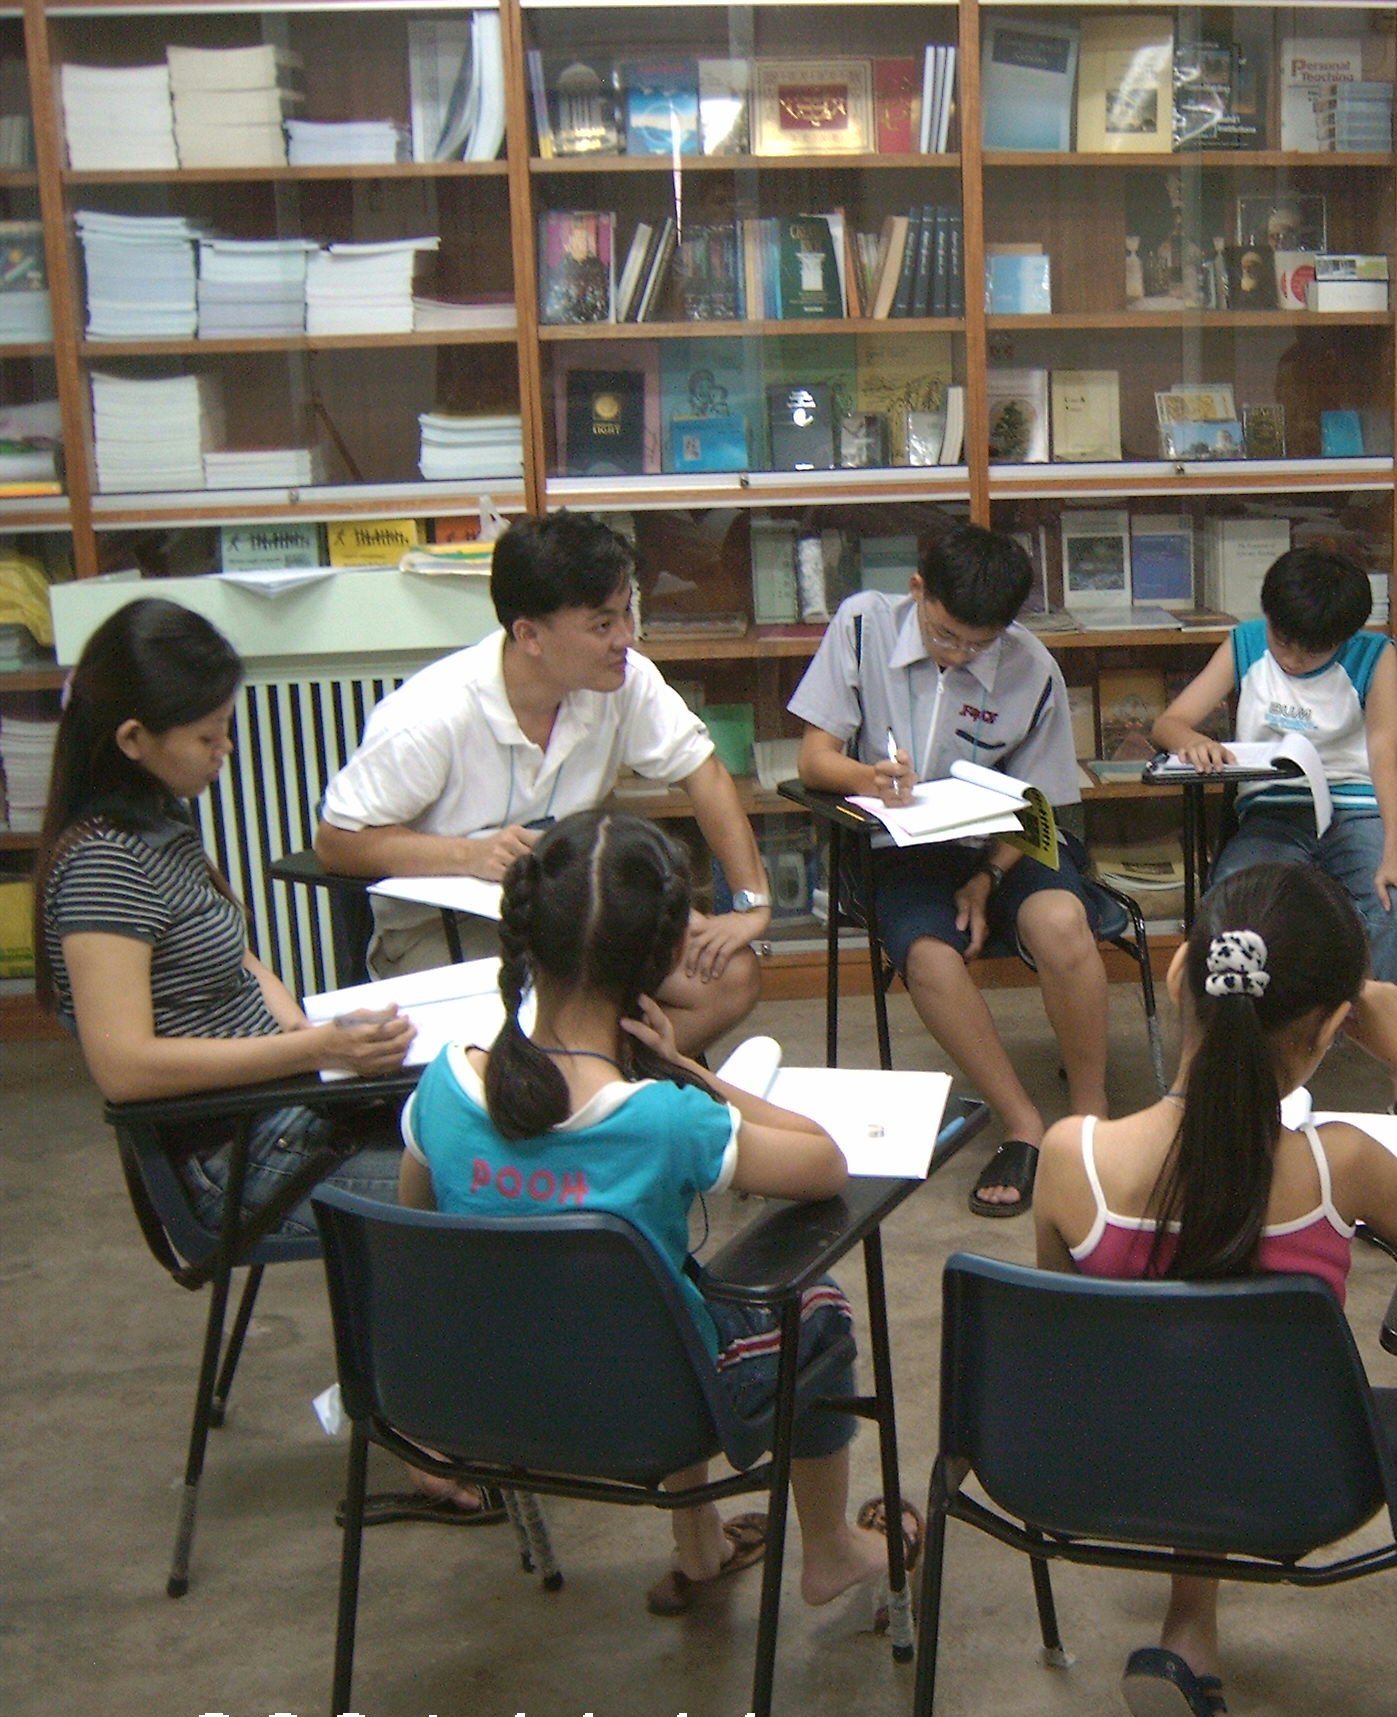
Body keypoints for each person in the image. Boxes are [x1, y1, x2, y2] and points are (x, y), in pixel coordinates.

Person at [38, 598, 496, 1524]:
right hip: (228, 1161)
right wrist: (314, 1050)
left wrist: (321, 1039)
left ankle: (454, 1388)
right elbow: (122, 1065)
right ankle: (417, 1422)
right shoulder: (102, 870)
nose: (225, 753)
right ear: (133, 736)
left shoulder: (158, 826)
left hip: (285, 1103)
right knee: (467, 1172)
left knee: (488, 1094)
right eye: (208, 737)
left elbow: (240, 959)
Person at [397, 811, 903, 1616]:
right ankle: (832, 1550)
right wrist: (683, 1068)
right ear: (665, 961)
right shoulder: (665, 1117)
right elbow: (824, 1161)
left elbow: (418, 1249)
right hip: (649, 1407)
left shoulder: (444, 1090)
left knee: (654, 1293)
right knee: (815, 1305)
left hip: (481, 1401)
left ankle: (701, 1545)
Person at [1033, 862, 1397, 1717]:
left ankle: (1188, 1630)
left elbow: (1068, 1344)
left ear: (1180, 978)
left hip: (1103, 1466)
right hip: (1301, 1478)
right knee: (1224, 1392)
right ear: (1330, 1031)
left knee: (1183, 1377)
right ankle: (1187, 1629)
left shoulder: (1071, 1158)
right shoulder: (1341, 1167)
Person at [315, 512, 770, 1056]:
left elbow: (706, 773)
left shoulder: (622, 680)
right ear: (529, 634)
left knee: (731, 975)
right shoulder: (430, 715)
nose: (626, 638)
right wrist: (468, 855)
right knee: (543, 1020)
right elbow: (336, 842)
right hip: (451, 929)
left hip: (574, 910)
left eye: (627, 613)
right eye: (602, 625)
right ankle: (568, 1091)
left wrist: (750, 904)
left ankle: (592, 1094)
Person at [788, 523, 1100, 1218]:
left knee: (1063, 920)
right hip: (899, 840)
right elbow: (813, 760)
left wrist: (988, 876)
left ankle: (1092, 1121)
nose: (960, 655)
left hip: (1005, 837)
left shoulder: (1033, 668)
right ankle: (1022, 1122)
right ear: (918, 589)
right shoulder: (863, 626)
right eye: (946, 635)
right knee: (930, 955)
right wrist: (868, 776)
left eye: (980, 644)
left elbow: (1039, 799)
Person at [1151, 545, 1397, 1042]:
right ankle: (1234, 1054)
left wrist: (1396, 847)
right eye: (1283, 642)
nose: (1292, 659)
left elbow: (1385, 753)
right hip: (1273, 813)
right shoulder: (1245, 644)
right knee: (1233, 907)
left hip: (1358, 810)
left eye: (1312, 652)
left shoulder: (1376, 654)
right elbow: (1168, 723)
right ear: (1268, 617)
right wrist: (1192, 741)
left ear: (1344, 637)